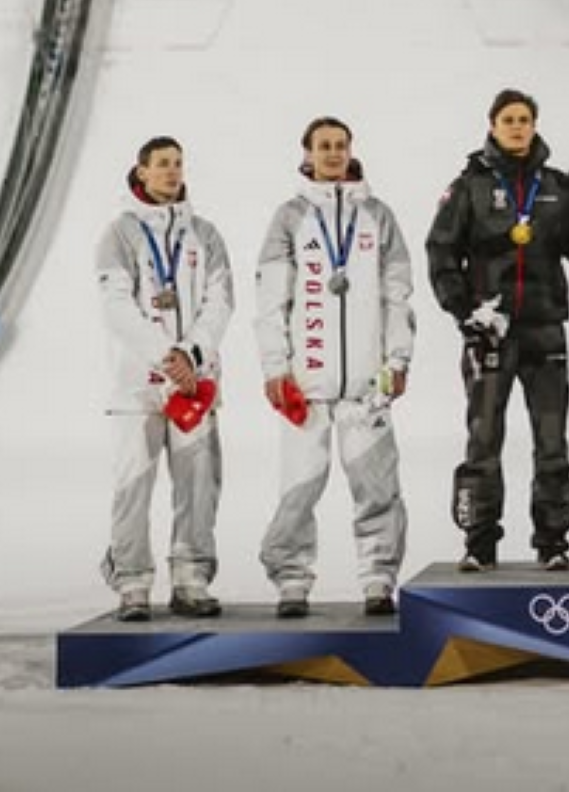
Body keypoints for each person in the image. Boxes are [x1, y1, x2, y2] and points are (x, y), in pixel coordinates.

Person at [255, 116, 414, 618]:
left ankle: (378, 579)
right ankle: (291, 581)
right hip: (308, 387)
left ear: (350, 150)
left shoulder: (377, 216)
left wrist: (398, 358)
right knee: (298, 490)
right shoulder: (290, 217)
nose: (332, 153)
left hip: (367, 387)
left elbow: (397, 295)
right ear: (307, 153)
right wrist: (275, 368)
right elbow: (270, 302)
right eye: (323, 145)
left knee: (378, 488)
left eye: (340, 145)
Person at [426, 89, 569, 572]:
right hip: (490, 331)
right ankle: (479, 542)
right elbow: (441, 252)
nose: (517, 127)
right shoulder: (468, 186)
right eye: (508, 119)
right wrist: (465, 311)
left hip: (545, 330)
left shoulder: (556, 186)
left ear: (534, 125)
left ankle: (553, 540)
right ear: (492, 125)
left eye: (524, 119)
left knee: (552, 440)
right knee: (484, 438)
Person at [95, 136, 234, 622]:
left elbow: (221, 303)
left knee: (198, 486)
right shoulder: (119, 234)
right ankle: (132, 583)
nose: (172, 171)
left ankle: (191, 579)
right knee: (133, 486)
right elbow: (117, 307)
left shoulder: (204, 234)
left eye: (177, 163)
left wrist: (189, 354)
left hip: (194, 384)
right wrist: (164, 356)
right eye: (162, 164)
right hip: (137, 387)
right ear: (142, 171)